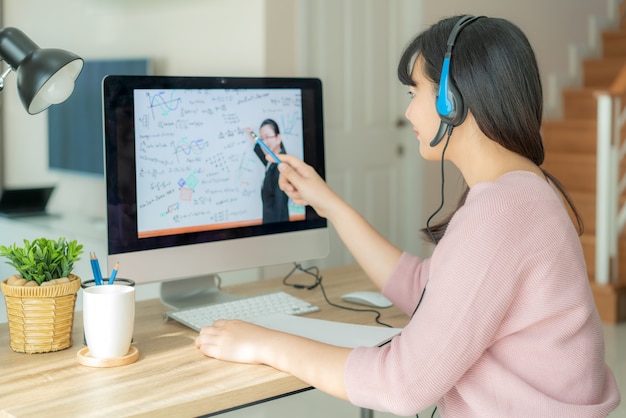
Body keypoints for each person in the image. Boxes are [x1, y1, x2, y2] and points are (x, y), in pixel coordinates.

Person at [196, 15, 621, 416]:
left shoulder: (499, 213)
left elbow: (401, 384)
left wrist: (266, 344)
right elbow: (425, 289)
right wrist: (328, 203)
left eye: (413, 92)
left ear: (450, 100)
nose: (407, 112)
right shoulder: (524, 192)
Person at [246, 119, 289, 223]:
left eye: (267, 137)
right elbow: (265, 159)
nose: (263, 142)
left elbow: (280, 206)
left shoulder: (281, 167)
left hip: (276, 228)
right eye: (261, 138)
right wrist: (254, 141)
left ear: (278, 138)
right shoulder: (273, 161)